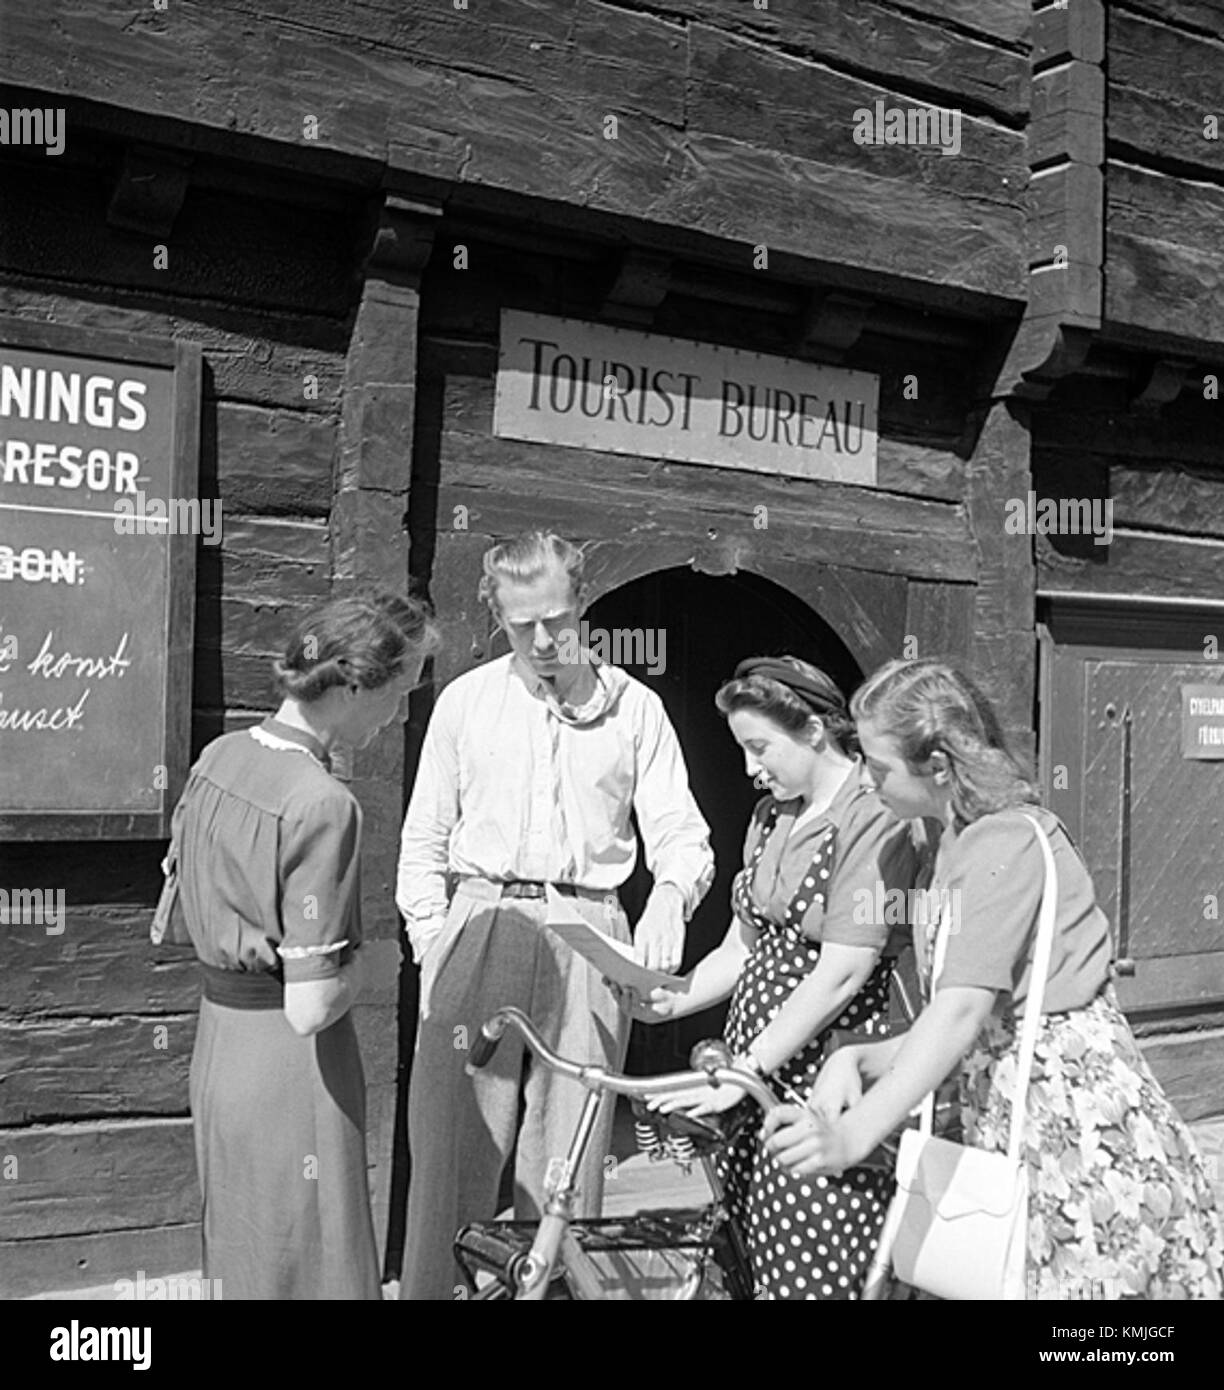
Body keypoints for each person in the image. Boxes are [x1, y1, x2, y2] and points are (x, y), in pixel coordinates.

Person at [764, 658, 1224, 1300]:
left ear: (940, 767)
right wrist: (864, 1056)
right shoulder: (936, 845)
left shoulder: (1006, 842)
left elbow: (959, 1012)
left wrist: (853, 1133)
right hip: (1017, 1131)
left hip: (1079, 1139)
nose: (867, 783)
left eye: (878, 765)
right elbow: (982, 1021)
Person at [396, 530, 714, 1301]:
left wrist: (669, 896)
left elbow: (683, 834)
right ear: (496, 617)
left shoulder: (634, 709)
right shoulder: (467, 701)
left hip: (591, 930)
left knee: (569, 1157)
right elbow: (423, 840)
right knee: (451, 1151)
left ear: (584, 607)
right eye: (522, 624)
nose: (544, 640)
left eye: (559, 620)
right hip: (482, 921)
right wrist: (433, 941)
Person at [167, 590, 439, 1298]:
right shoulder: (321, 801)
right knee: (312, 1258)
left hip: (221, 1047)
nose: (399, 712)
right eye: (399, 691)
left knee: (247, 1250)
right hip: (291, 1069)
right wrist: (377, 960)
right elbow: (310, 1007)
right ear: (353, 683)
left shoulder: (218, 757)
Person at [637, 656, 923, 1300]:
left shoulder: (871, 816)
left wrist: (749, 1071)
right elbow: (742, 948)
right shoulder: (770, 818)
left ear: (816, 731)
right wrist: (672, 998)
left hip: (826, 1071)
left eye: (760, 747)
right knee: (753, 1253)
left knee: (815, 1255)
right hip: (755, 1072)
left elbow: (843, 972)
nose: (749, 767)